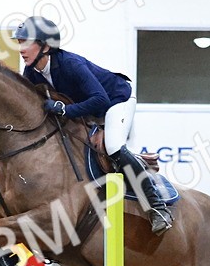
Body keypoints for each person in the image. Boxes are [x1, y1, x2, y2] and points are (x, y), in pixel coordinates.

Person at [12, 16, 173, 235]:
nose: (21, 48)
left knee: (114, 146)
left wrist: (65, 110)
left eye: (26, 42)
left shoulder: (71, 64)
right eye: (19, 42)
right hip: (89, 109)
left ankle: (158, 207)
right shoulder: (31, 72)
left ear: (46, 46)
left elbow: (100, 100)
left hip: (116, 100)